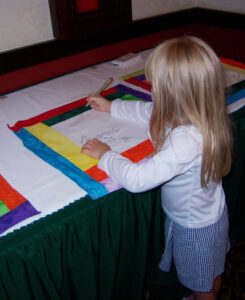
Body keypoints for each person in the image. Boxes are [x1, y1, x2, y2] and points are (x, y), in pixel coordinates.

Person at [81, 36, 233, 300]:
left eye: (156, 86)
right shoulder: (196, 112)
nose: (151, 91)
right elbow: (147, 112)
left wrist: (106, 155)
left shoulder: (187, 139)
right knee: (210, 271)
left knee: (202, 285)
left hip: (195, 227)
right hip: (206, 216)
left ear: (175, 93)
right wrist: (111, 106)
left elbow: (138, 180)